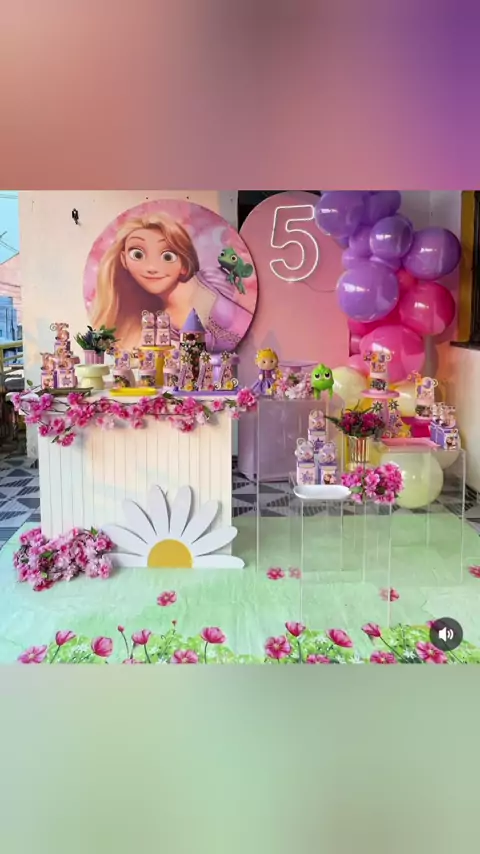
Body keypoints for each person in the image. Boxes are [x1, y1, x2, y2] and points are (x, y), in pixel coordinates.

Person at [90, 213, 253, 352]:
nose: (152, 268)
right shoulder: (160, 324)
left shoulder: (211, 280)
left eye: (167, 256)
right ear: (124, 260)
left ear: (184, 263)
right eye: (137, 255)